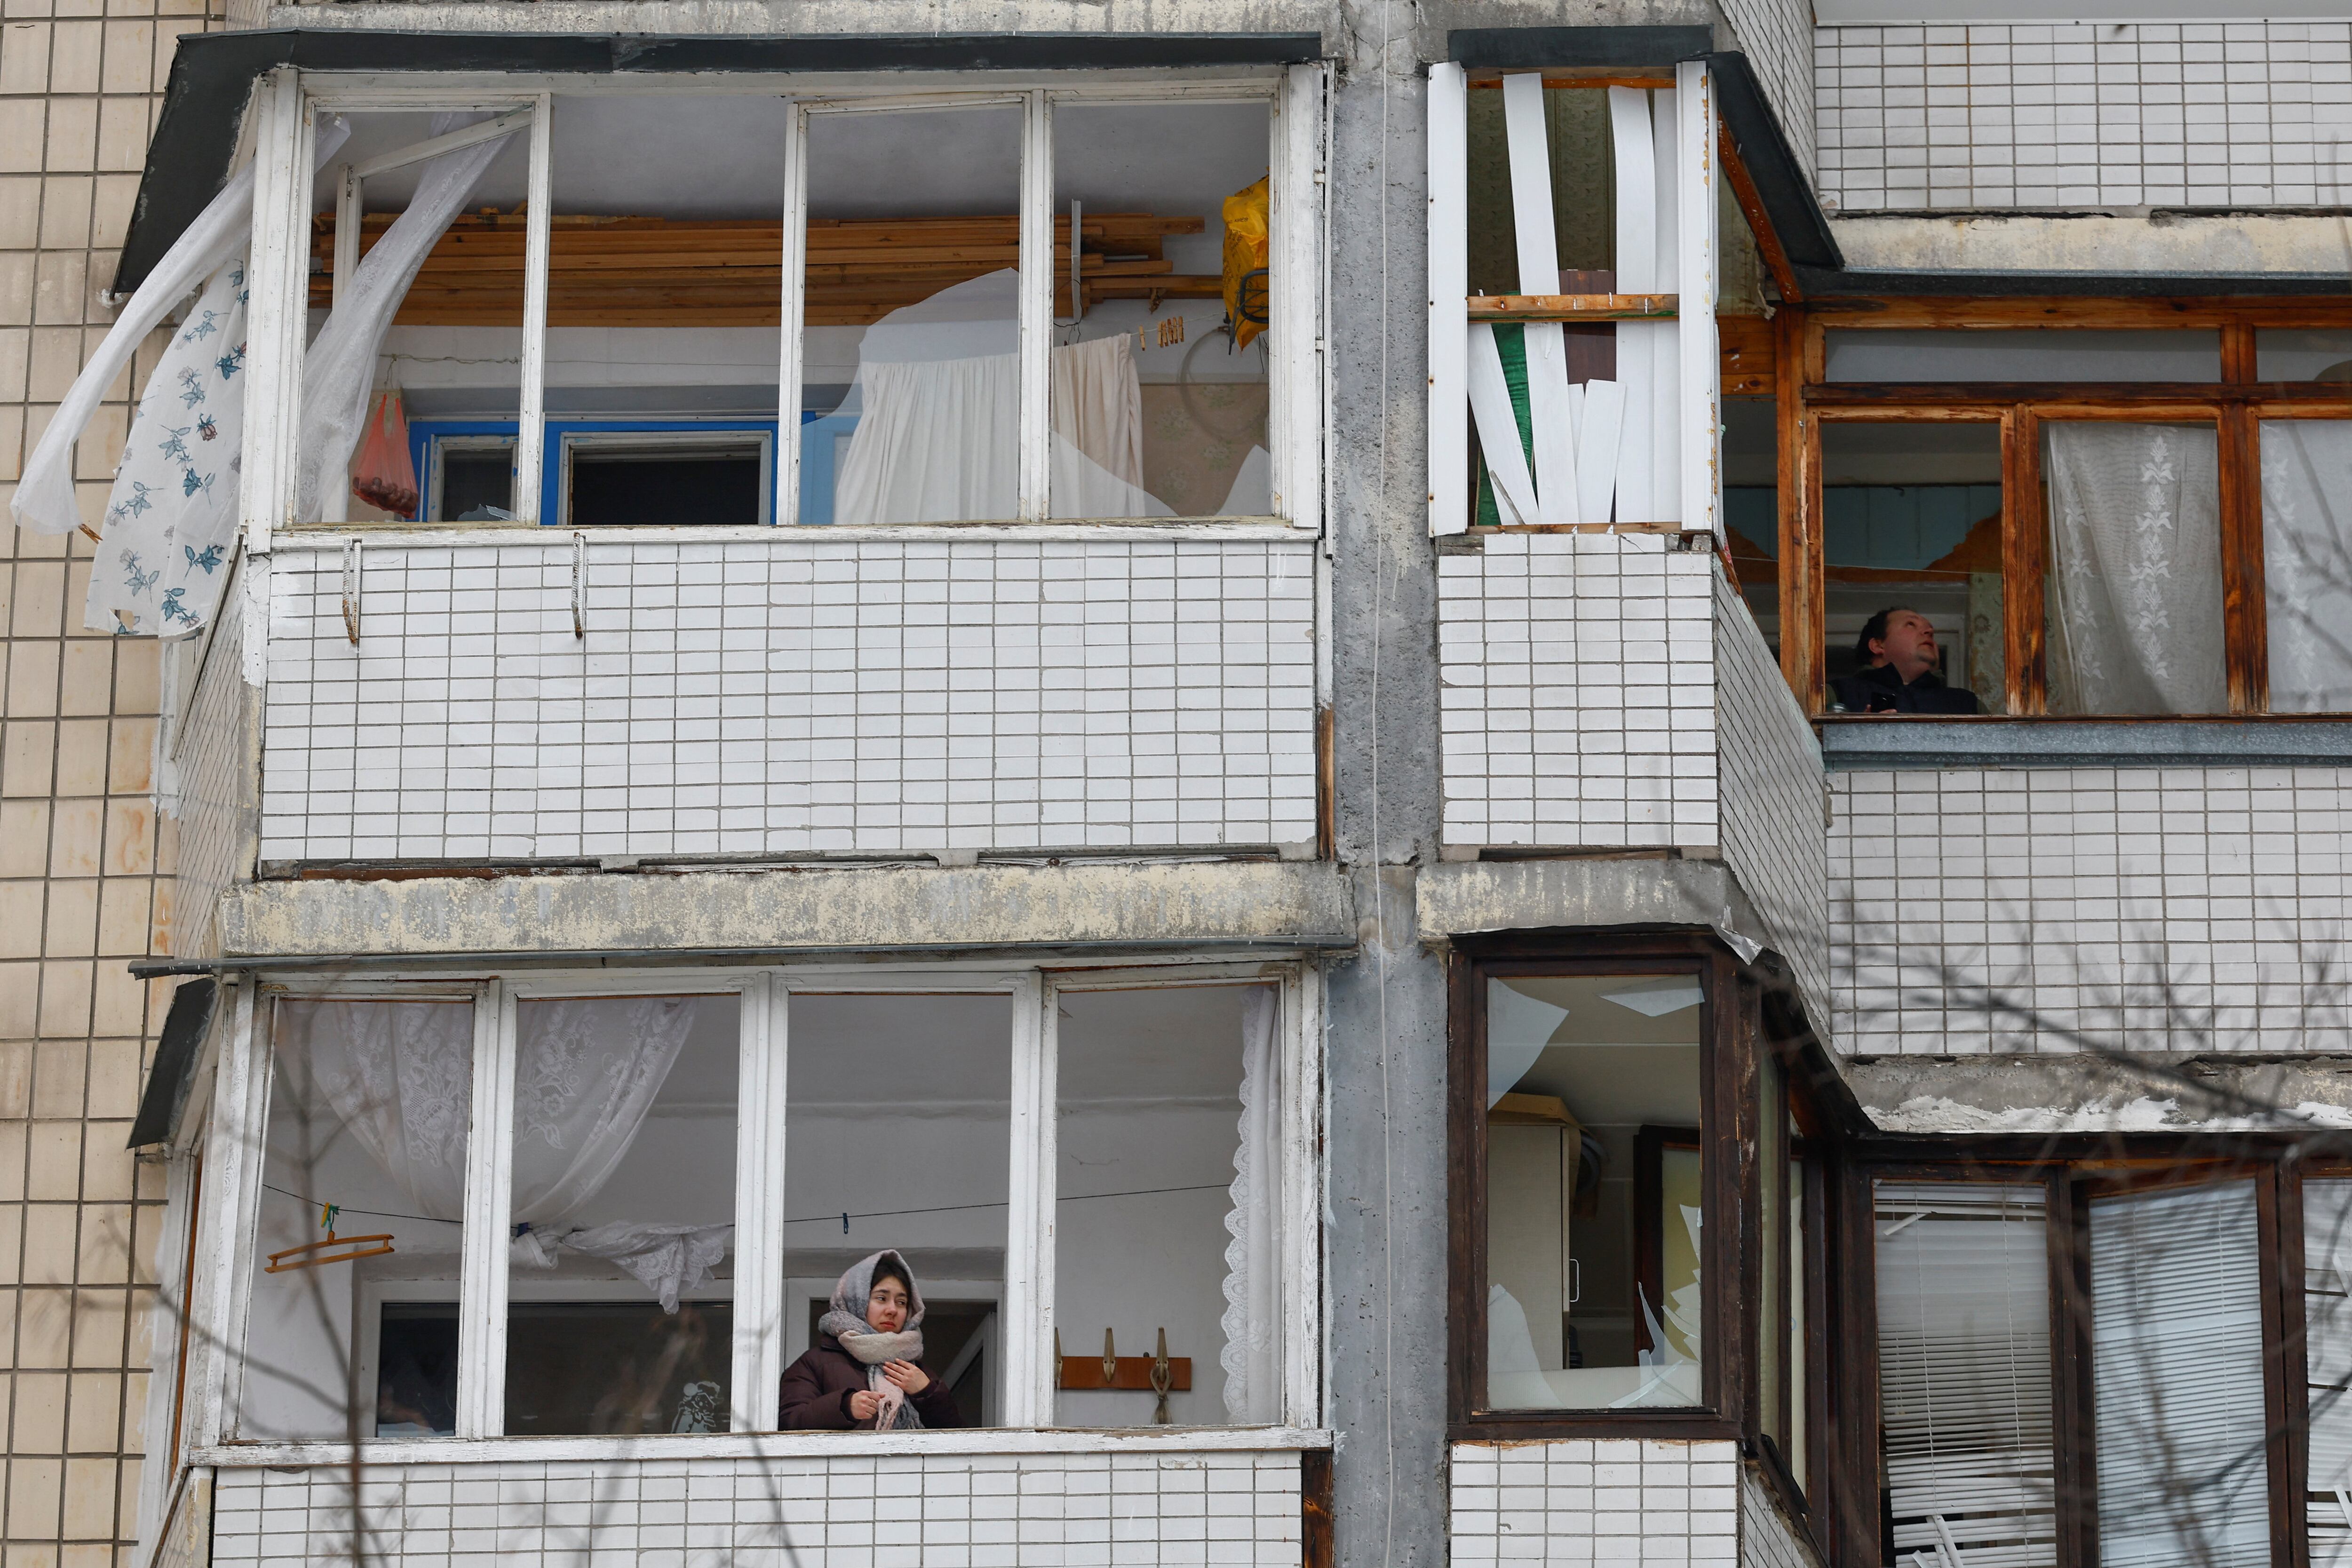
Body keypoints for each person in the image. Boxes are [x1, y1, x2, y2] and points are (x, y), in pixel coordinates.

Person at [778, 1249, 964, 1430]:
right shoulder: (815, 1363)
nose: (892, 1310)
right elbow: (789, 1423)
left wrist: (927, 1393)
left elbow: (958, 1436)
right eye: (882, 1298)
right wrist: (844, 1407)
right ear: (855, 1303)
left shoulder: (915, 1370)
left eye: (901, 1302)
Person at [1829, 606, 1980, 715]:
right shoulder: (1837, 693)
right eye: (1911, 624)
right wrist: (1859, 733)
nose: (1930, 632)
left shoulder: (1967, 703)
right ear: (1878, 646)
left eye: (1930, 630)